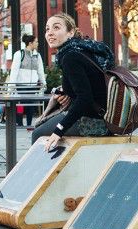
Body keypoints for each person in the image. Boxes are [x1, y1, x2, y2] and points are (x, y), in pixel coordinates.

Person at [32, 13, 114, 150]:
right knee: (44, 127)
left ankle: (45, 171)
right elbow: (87, 85)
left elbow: (85, 98)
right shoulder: (80, 50)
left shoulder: (70, 57)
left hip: (93, 122)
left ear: (70, 32)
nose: (50, 33)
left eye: (56, 28)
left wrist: (59, 129)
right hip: (102, 117)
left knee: (38, 133)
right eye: (47, 29)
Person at [9, 34, 46, 127]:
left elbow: (40, 71)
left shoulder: (37, 56)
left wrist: (44, 83)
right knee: (21, 105)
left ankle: (29, 125)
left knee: (31, 106)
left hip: (32, 86)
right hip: (21, 85)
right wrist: (11, 86)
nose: (38, 43)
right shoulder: (19, 54)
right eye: (36, 42)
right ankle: (20, 123)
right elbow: (14, 71)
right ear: (30, 43)